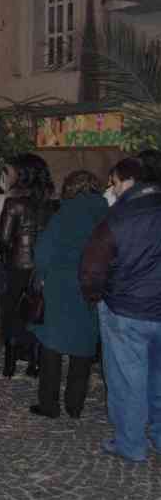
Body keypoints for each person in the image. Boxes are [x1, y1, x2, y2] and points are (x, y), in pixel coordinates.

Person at [80, 157, 161, 463]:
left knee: (128, 379)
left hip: (126, 311)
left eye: (113, 182)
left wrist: (95, 297)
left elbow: (91, 269)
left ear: (127, 181)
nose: (111, 189)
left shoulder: (117, 217)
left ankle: (131, 443)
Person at [28, 171, 108, 419]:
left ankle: (49, 404)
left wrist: (40, 274)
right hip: (92, 285)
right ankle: (75, 405)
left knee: (52, 344)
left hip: (61, 285)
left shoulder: (66, 212)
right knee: (83, 345)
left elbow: (43, 251)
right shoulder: (106, 213)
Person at [0, 153, 57, 378]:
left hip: (18, 264)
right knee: (39, 312)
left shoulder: (14, 203)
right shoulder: (53, 204)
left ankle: (10, 364)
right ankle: (34, 362)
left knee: (13, 313)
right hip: (44, 267)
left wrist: (7, 257)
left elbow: (3, 238)